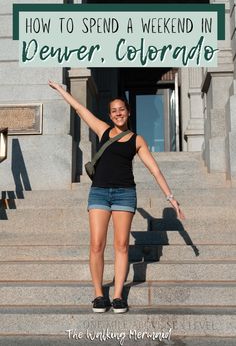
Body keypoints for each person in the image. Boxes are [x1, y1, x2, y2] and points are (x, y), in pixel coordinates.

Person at [48, 80, 185, 314]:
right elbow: (81, 110)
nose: (118, 113)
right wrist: (62, 91)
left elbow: (155, 170)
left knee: (121, 246)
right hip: (99, 192)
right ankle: (99, 295)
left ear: (128, 112)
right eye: (114, 111)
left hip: (124, 194)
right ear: (110, 115)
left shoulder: (137, 140)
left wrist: (171, 197)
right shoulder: (103, 130)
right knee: (96, 244)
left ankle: (119, 295)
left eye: (122, 109)